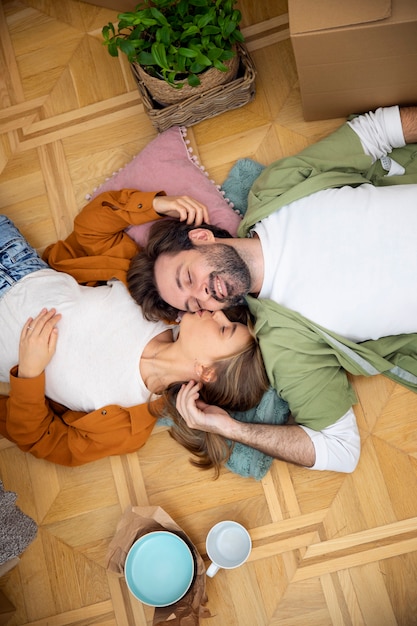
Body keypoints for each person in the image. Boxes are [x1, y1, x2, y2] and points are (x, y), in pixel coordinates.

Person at [124, 105, 417, 474]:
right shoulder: (286, 343)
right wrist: (230, 428)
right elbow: (341, 450)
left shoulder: (277, 191)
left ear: (200, 237)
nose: (204, 294)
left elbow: (375, 131)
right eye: (193, 303)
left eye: (187, 277)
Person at [0, 211, 269, 470]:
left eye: (224, 330)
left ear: (205, 371)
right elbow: (92, 232)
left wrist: (29, 374)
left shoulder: (128, 426)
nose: (219, 314)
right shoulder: (158, 302)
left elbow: (39, 440)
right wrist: (155, 204)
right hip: (16, 260)